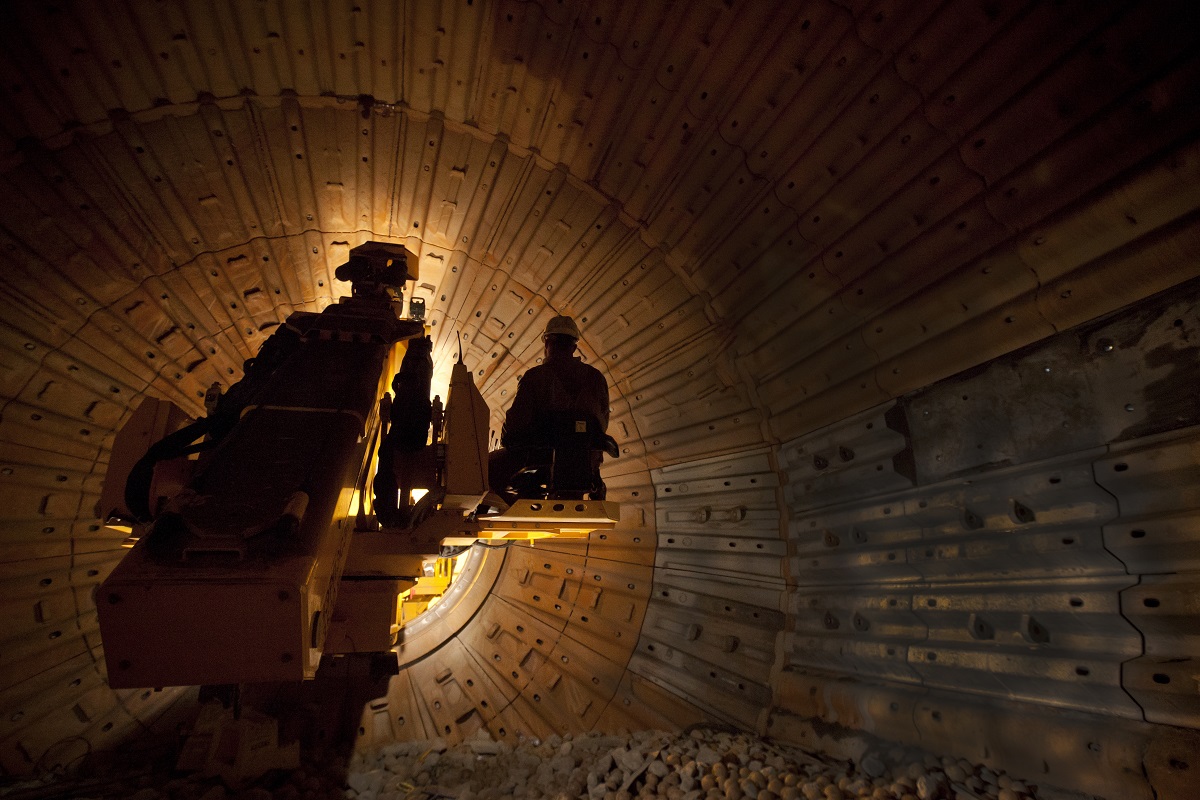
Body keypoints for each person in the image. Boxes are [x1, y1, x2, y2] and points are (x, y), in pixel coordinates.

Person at [488, 315, 613, 502]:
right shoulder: (596, 379)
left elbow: (515, 429)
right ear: (574, 346)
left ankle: (518, 508)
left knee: (484, 468)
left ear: (547, 342)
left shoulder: (535, 378)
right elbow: (600, 425)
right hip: (586, 466)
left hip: (541, 465)